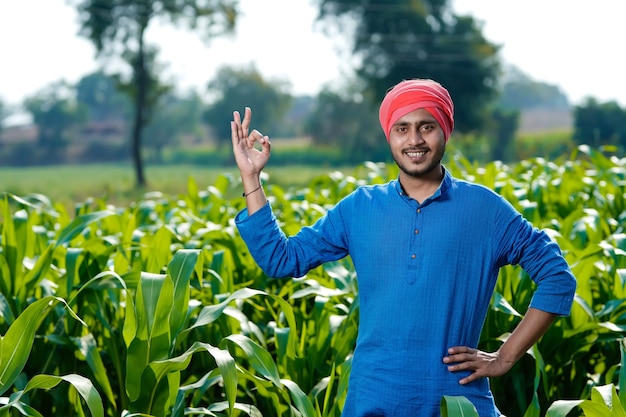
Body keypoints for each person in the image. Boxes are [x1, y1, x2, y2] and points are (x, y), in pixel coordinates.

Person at [230, 78, 576, 417]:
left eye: (427, 127)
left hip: (457, 404)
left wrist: (505, 357)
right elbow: (281, 259)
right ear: (389, 136)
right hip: (372, 400)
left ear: (444, 131)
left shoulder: (485, 210)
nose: (414, 140)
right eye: (402, 128)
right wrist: (251, 178)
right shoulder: (359, 208)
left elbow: (557, 277)